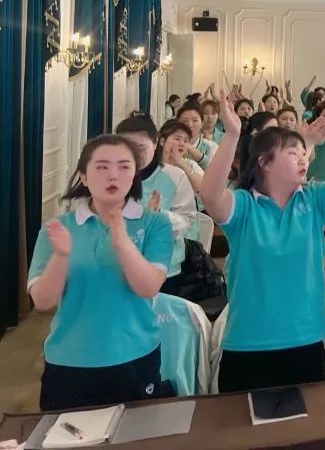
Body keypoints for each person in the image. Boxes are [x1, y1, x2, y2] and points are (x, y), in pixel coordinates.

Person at [199, 90, 325, 392]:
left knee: (303, 420)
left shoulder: (313, 200)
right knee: (243, 420)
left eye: (303, 153)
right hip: (249, 343)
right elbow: (210, 194)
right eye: (292, 153)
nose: (303, 159)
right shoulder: (244, 206)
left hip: (305, 338)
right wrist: (232, 135)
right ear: (264, 162)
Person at [29, 135, 174, 410]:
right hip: (69, 359)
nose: (113, 175)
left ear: (135, 174)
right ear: (83, 176)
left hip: (135, 355)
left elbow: (148, 287)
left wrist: (121, 241)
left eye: (124, 166)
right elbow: (43, 301)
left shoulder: (154, 224)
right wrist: (61, 256)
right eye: (102, 166)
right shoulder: (58, 228)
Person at [116, 116, 197, 297]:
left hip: (165, 269)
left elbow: (188, 222)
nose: (133, 154)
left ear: (155, 144)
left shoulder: (175, 176)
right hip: (118, 267)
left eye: (141, 148)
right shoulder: (110, 176)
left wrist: (159, 217)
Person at [177, 104, 218, 170]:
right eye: (184, 121)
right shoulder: (172, 144)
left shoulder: (212, 146)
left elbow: (215, 170)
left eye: (195, 120)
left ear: (202, 123)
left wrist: (192, 150)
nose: (190, 125)